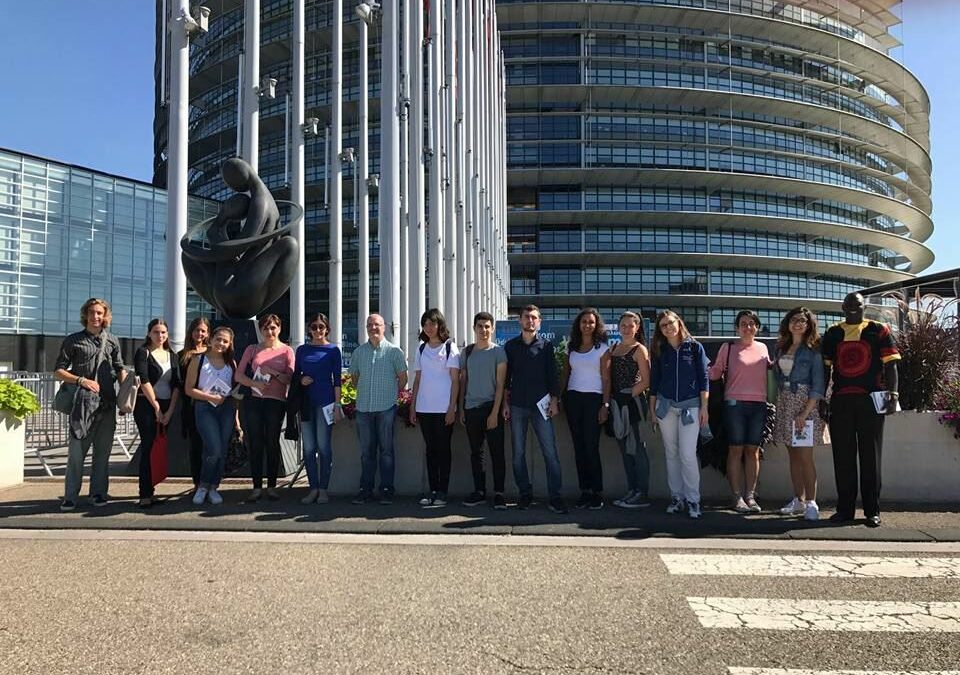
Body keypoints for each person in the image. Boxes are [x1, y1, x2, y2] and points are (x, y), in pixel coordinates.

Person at [821, 292, 900, 528]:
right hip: (841, 401)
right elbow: (825, 371)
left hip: (872, 401)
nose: (854, 308)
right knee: (842, 457)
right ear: (842, 307)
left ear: (864, 306)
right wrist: (823, 399)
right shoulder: (833, 333)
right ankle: (844, 509)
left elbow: (892, 365)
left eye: (858, 304)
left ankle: (872, 511)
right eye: (849, 305)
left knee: (871, 457)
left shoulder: (879, 330)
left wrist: (893, 394)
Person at [53, 298, 128, 511]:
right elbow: (58, 370)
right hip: (82, 406)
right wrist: (81, 380)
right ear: (85, 315)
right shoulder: (73, 340)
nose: (96, 317)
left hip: (107, 404)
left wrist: (125, 396)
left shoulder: (112, 340)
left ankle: (98, 493)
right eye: (92, 313)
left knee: (102, 454)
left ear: (106, 316)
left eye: (100, 313)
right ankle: (70, 496)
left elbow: (120, 368)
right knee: (76, 453)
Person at [502, 305, 567, 514]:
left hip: (542, 407)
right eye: (526, 317)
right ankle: (525, 495)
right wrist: (505, 403)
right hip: (518, 406)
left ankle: (555, 497)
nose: (530, 321)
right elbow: (506, 379)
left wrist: (555, 400)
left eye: (534, 318)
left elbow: (552, 376)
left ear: (539, 322)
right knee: (518, 454)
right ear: (519, 321)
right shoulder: (511, 347)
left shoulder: (546, 346)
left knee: (550, 453)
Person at [708, 310, 772, 513]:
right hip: (734, 404)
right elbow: (715, 372)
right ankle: (736, 497)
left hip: (759, 404)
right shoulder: (728, 348)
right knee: (735, 450)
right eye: (743, 323)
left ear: (757, 327)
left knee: (753, 451)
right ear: (737, 327)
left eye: (752, 323)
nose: (748, 327)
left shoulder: (763, 348)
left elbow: (770, 369)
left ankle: (750, 496)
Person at [648, 310, 708, 519]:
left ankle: (693, 500)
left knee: (687, 454)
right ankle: (677, 497)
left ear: (678, 323)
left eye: (670, 323)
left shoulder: (694, 347)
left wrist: (705, 408)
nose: (667, 328)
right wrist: (652, 411)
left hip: (690, 407)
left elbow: (704, 379)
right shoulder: (659, 350)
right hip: (665, 407)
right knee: (671, 453)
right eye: (663, 325)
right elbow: (654, 382)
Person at [772, 307, 828, 521]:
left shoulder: (813, 350)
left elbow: (818, 384)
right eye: (794, 320)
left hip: (805, 404)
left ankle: (812, 503)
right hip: (785, 402)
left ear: (809, 325)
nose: (798, 324)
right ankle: (798, 499)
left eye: (803, 321)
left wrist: (805, 413)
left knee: (805, 457)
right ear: (788, 323)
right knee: (793, 455)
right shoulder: (781, 348)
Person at [235, 314, 295, 502]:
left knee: (272, 442)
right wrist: (254, 382)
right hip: (254, 400)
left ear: (279, 329)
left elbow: (290, 379)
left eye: (273, 328)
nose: (269, 332)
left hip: (276, 402)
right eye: (265, 328)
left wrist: (274, 373)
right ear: (260, 330)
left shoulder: (287, 351)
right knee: (256, 443)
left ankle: (271, 486)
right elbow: (238, 376)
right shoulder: (252, 349)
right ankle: (256, 487)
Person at [349, 313, 408, 505]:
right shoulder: (359, 352)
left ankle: (386, 490)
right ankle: (365, 490)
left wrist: (391, 394)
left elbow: (403, 379)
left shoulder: (394, 352)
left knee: (386, 452)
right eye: (369, 325)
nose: (373, 328)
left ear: (385, 327)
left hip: (386, 408)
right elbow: (355, 378)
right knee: (366, 453)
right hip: (363, 409)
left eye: (377, 325)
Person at [560, 307, 611, 510]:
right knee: (579, 447)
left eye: (591, 322)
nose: (587, 325)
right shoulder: (571, 347)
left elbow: (607, 380)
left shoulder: (602, 348)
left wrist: (605, 406)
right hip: (573, 399)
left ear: (596, 324)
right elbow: (565, 374)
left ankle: (597, 492)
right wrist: (557, 397)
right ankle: (585, 491)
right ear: (578, 325)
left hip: (594, 400)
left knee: (591, 447)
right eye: (584, 322)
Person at [410, 308, 460, 508]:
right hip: (424, 408)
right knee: (430, 450)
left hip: (443, 409)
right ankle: (432, 489)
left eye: (432, 323)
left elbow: (455, 381)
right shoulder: (421, 349)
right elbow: (418, 379)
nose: (429, 328)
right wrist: (413, 407)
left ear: (440, 325)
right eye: (425, 324)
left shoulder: (450, 347)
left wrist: (452, 408)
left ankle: (442, 491)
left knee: (443, 450)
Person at [185, 326, 241, 506]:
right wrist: (210, 397)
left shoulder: (232, 363)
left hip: (227, 409)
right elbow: (188, 389)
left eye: (226, 341)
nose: (221, 344)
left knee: (221, 449)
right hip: (204, 407)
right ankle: (203, 485)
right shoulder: (198, 360)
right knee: (213, 448)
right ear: (211, 339)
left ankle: (213, 486)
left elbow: (235, 392)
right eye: (219, 339)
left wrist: (237, 420)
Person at [460, 312, 508, 509]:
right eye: (480, 326)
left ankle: (499, 493)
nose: (484, 330)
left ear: (492, 328)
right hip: (471, 409)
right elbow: (463, 381)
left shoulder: (499, 352)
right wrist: (461, 408)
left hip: (491, 408)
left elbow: (501, 384)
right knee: (476, 453)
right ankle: (479, 492)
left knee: (497, 453)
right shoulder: (467, 352)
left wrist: (495, 413)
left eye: (487, 326)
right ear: (474, 328)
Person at [293, 313, 342, 505]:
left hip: (325, 403)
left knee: (324, 447)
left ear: (327, 329)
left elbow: (337, 380)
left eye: (321, 327)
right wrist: (301, 379)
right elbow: (295, 375)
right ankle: (312, 488)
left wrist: (338, 405)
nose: (318, 330)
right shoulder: (302, 350)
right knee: (309, 448)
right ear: (309, 329)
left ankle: (323, 488)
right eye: (314, 327)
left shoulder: (333, 351)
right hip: (306, 403)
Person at [133, 318, 181, 508]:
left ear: (167, 335)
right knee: (148, 446)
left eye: (163, 332)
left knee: (158, 447)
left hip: (167, 405)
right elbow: (143, 379)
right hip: (146, 405)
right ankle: (144, 493)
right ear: (149, 333)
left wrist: (169, 411)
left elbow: (177, 384)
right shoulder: (143, 353)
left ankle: (152, 489)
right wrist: (156, 408)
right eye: (155, 332)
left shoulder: (173, 355)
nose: (159, 336)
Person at [609, 312, 652, 509]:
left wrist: (629, 394)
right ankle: (632, 489)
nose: (626, 329)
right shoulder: (614, 348)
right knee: (624, 449)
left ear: (637, 328)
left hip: (633, 404)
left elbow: (646, 380)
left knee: (637, 449)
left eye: (630, 325)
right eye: (623, 325)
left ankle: (642, 493)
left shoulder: (639, 349)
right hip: (617, 404)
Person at [172, 317, 211, 491]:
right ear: (191, 332)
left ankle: (210, 481)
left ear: (208, 333)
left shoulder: (213, 353)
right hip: (191, 406)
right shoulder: (182, 355)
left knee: (210, 446)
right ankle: (197, 483)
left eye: (203, 330)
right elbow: (178, 383)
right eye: (197, 330)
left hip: (212, 406)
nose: (200, 334)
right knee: (196, 447)